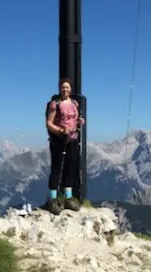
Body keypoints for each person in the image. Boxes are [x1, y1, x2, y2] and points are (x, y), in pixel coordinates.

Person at [45, 78, 85, 215]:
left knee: (70, 166)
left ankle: (68, 197)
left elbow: (74, 119)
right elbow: (49, 123)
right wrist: (61, 131)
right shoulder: (55, 104)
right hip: (59, 140)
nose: (65, 90)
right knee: (57, 167)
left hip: (72, 139)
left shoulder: (74, 103)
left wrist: (79, 122)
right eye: (63, 87)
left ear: (70, 89)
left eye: (67, 87)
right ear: (59, 89)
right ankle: (53, 199)